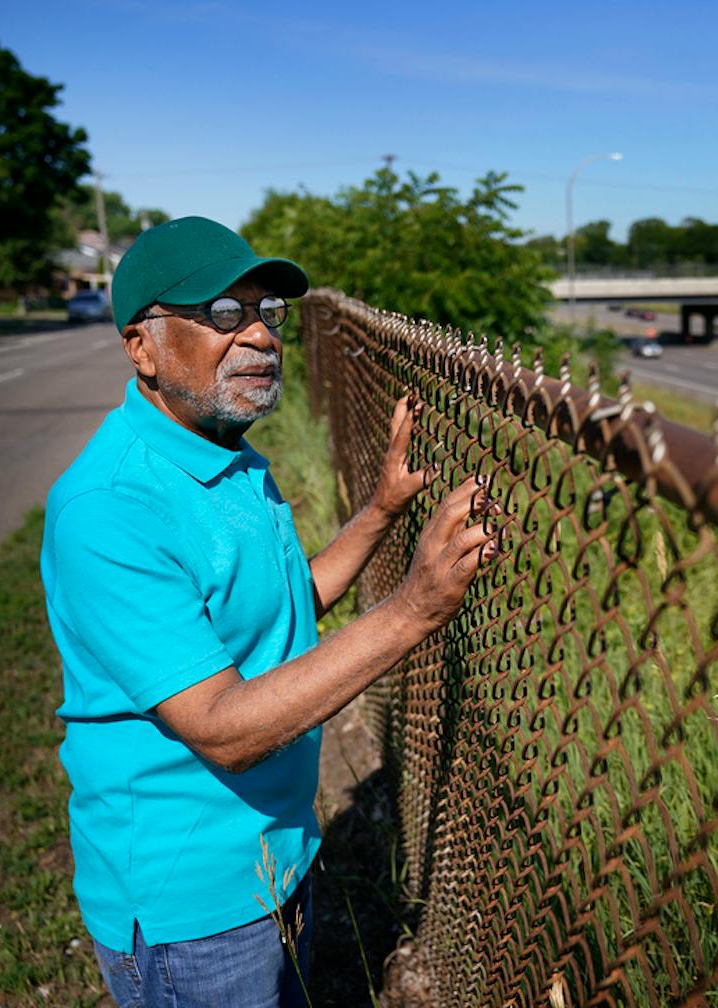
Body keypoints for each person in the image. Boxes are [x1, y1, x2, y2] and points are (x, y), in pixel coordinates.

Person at [40, 216, 497, 1007]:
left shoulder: (227, 450)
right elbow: (224, 727)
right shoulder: (110, 507)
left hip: (277, 853)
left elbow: (290, 604)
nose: (259, 335)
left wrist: (382, 510)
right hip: (194, 904)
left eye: (266, 312)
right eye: (222, 313)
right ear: (140, 346)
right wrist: (413, 610)